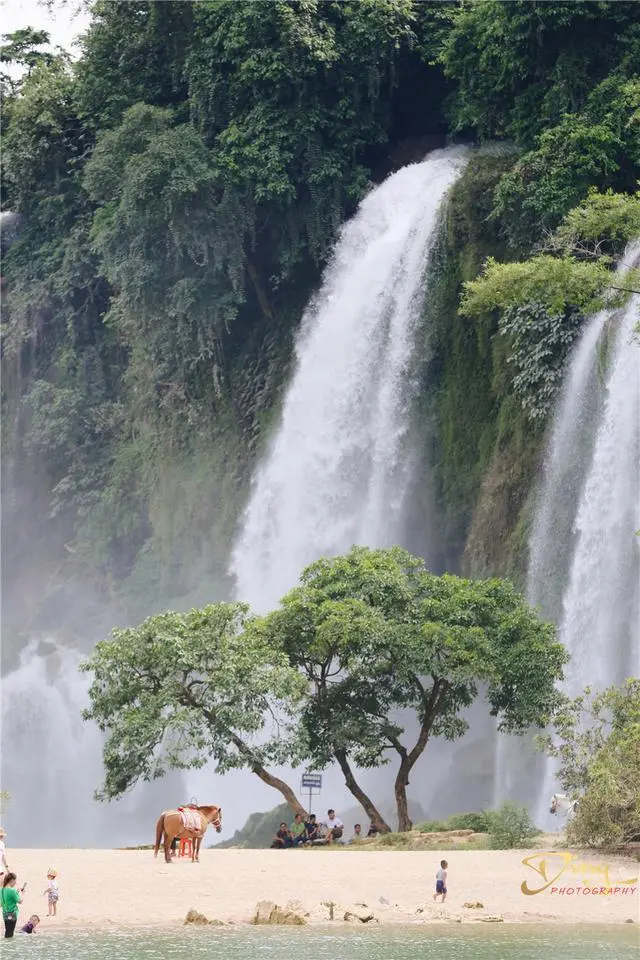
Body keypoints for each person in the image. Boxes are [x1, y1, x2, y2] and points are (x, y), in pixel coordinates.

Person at [1, 872, 24, 938]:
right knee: (10, 933)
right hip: (12, 914)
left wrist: (17, 892)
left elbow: (1, 904)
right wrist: (21, 894)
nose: (15, 882)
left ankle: (7, 947)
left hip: (5, 913)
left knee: (8, 932)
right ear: (12, 880)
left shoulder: (1, 890)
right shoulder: (12, 891)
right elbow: (20, 901)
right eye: (15, 881)